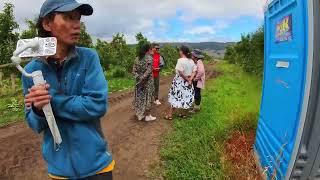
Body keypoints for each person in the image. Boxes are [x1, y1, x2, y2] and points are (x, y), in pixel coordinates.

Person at [22, 0, 114, 179]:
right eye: (68, 17)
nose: (77, 25)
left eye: (78, 19)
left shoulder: (88, 58)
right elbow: (34, 124)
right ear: (47, 23)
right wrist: (37, 110)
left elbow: (96, 105)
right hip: (59, 171)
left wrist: (51, 99)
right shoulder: (31, 71)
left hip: (97, 167)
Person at [165, 46, 197, 120]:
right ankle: (184, 114)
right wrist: (190, 80)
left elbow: (180, 72)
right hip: (188, 82)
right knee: (186, 97)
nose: (179, 52)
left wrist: (186, 79)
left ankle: (170, 115)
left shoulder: (180, 60)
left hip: (180, 82)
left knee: (175, 97)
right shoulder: (191, 61)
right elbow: (194, 71)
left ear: (182, 52)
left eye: (180, 51)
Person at [133, 43, 157, 121]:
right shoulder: (149, 58)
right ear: (148, 50)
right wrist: (142, 79)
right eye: (150, 49)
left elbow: (134, 71)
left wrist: (139, 78)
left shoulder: (137, 58)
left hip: (138, 83)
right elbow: (149, 71)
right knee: (148, 98)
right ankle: (148, 116)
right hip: (147, 82)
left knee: (139, 98)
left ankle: (139, 114)